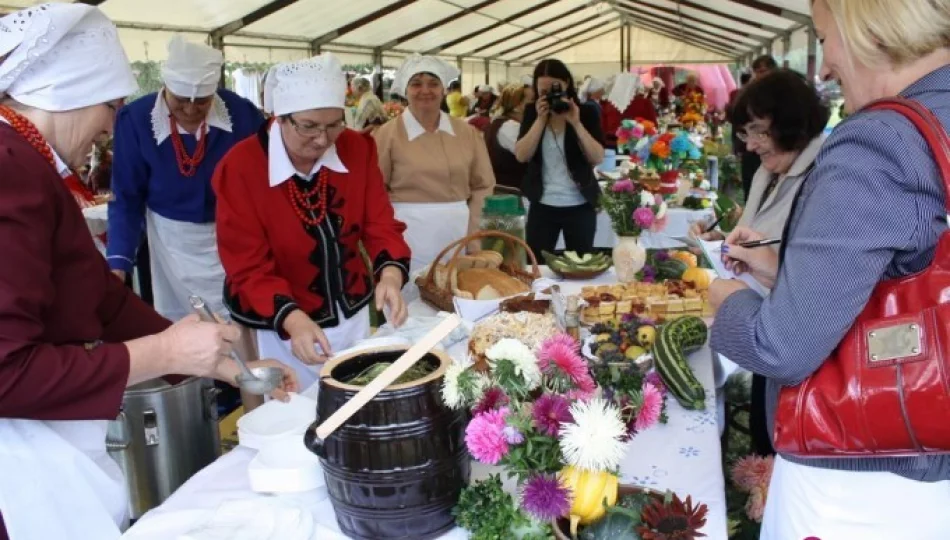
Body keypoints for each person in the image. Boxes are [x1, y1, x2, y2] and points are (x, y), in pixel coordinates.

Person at [0, 5, 295, 539]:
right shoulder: (8, 170)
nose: (112, 127)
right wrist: (163, 353)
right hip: (19, 465)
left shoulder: (26, 162)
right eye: (110, 106)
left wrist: (221, 366)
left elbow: (99, 299)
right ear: (71, 91)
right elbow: (6, 370)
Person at [709, 0, 950, 537]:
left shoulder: (878, 142)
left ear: (867, 26)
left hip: (866, 482)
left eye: (824, 37)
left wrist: (726, 301)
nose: (823, 65)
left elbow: (781, 348)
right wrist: (789, 277)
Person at [214, 53, 411, 391]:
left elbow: (379, 223)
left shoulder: (356, 148)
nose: (323, 139)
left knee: (359, 399)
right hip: (281, 325)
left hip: (352, 313)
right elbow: (246, 266)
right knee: (296, 415)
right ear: (280, 118)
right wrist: (292, 319)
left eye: (335, 124)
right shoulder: (241, 167)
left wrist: (390, 275)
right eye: (309, 127)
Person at [689, 69, 829, 457]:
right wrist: (727, 241)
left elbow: (811, 268)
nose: (750, 145)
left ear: (791, 123)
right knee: (763, 423)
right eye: (744, 134)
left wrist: (767, 261)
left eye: (758, 132)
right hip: (762, 324)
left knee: (777, 431)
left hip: (792, 338)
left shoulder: (822, 177)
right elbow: (759, 232)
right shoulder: (772, 170)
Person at [107, 35, 263, 321]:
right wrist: (118, 262)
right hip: (169, 243)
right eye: (180, 101)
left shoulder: (242, 114)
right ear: (165, 86)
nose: (190, 110)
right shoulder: (136, 119)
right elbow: (126, 198)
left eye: (202, 102)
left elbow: (263, 179)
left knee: (241, 320)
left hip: (234, 236)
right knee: (180, 323)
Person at [373, 54, 495, 293]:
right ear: (405, 90)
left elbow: (483, 185)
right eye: (416, 83)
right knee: (412, 303)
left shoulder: (466, 132)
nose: (425, 90)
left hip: (459, 232)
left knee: (459, 296)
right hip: (408, 234)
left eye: (433, 83)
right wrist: (388, 241)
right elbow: (376, 191)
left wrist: (474, 235)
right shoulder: (387, 135)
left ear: (444, 89)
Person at [515, 59, 605, 256]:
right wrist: (540, 120)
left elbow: (597, 157)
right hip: (543, 204)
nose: (549, 95)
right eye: (543, 91)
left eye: (554, 89)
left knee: (581, 264)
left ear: (567, 84)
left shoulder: (586, 112)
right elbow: (522, 155)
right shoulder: (532, 112)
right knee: (535, 263)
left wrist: (576, 123)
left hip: (580, 204)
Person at [735, 56, 778, 200]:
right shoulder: (749, 93)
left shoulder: (781, 94)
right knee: (751, 187)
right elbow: (739, 123)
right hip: (752, 153)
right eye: (757, 72)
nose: (760, 75)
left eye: (763, 71)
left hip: (773, 150)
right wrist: (740, 146)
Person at [486, 84, 528, 191]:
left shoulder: (501, 122)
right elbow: (527, 155)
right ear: (518, 104)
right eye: (532, 99)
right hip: (513, 191)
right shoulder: (510, 127)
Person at [601, 72, 659, 148]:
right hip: (637, 146)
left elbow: (603, 127)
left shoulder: (608, 104)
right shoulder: (644, 103)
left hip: (611, 145)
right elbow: (653, 127)